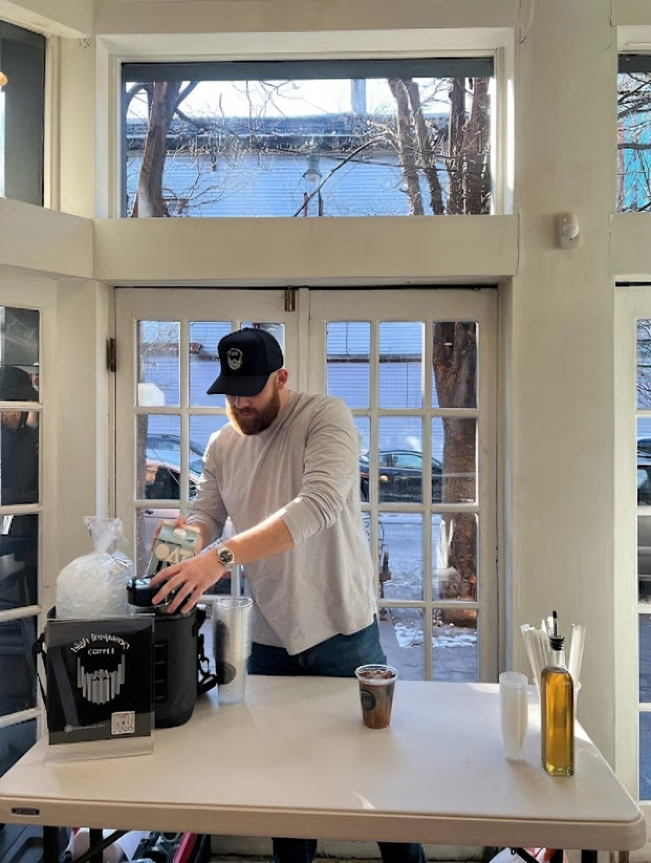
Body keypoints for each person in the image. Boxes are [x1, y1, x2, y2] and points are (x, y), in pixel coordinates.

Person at [149, 327, 427, 863]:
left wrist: (220, 558)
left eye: (251, 389)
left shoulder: (326, 417)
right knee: (283, 785)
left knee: (380, 782)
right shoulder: (222, 443)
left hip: (342, 629)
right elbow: (207, 513)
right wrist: (181, 547)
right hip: (271, 636)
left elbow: (317, 504)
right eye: (230, 390)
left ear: (282, 378)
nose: (239, 403)